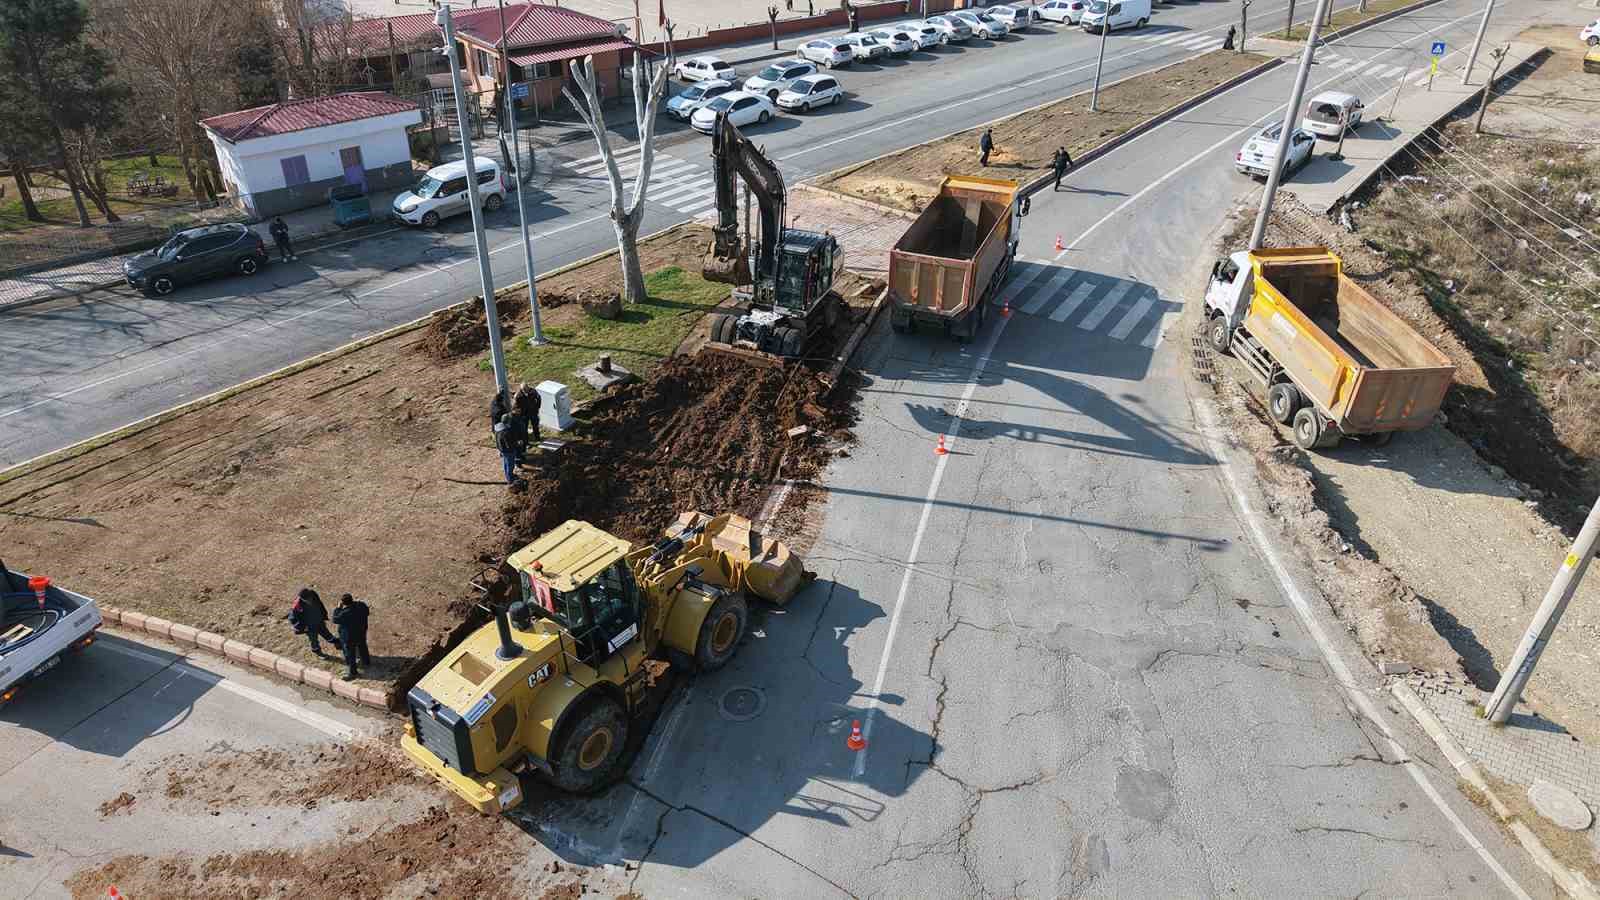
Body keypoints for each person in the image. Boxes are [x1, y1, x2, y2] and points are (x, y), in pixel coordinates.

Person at [287, 587, 340, 657]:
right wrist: (303, 627)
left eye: (310, 599)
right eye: (307, 600)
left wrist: (323, 616)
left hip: (319, 621)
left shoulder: (313, 594)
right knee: (314, 640)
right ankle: (318, 652)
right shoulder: (297, 605)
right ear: (302, 599)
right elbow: (292, 619)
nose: (309, 601)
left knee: (326, 633)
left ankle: (336, 642)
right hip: (310, 627)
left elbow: (320, 604)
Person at [331, 593, 371, 681]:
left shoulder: (344, 613)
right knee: (362, 646)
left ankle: (353, 672)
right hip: (361, 631)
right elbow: (367, 612)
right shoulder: (361, 605)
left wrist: (338, 608)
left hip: (349, 637)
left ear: (343, 603)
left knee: (350, 654)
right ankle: (366, 661)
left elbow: (335, 619)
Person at [495, 414, 522, 484]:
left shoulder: (498, 428)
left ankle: (508, 475)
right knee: (510, 464)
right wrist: (518, 443)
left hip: (502, 449)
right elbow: (509, 444)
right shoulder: (506, 432)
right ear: (508, 421)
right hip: (508, 451)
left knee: (505, 463)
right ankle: (510, 479)